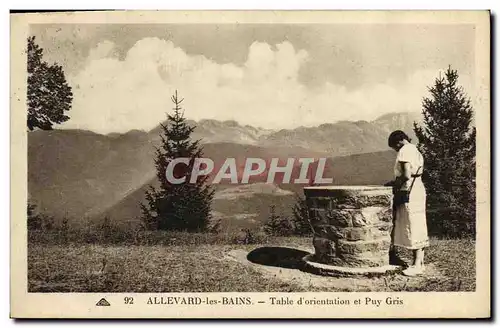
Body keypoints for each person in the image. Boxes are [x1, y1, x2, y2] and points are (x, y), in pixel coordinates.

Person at [384, 130, 429, 276]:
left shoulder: (404, 151)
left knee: (411, 224)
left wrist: (394, 183)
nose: (396, 150)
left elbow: (406, 174)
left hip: (408, 189)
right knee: (418, 223)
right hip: (418, 188)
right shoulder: (415, 149)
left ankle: (416, 265)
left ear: (399, 141)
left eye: (395, 147)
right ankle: (419, 262)